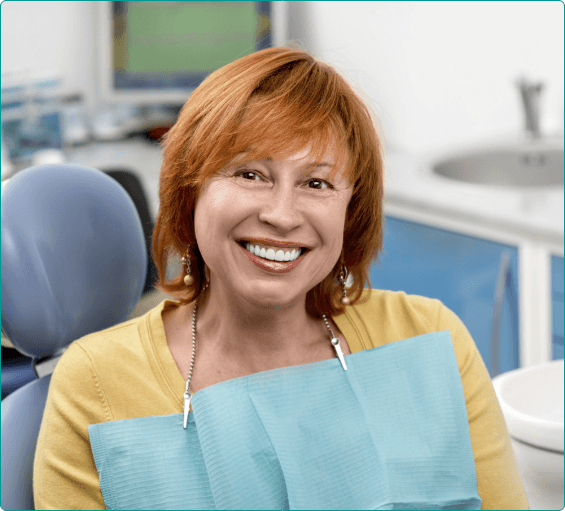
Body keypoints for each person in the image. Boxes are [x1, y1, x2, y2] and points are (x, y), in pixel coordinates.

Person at [34, 46, 529, 510]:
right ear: (190, 191)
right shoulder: (94, 385)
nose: (283, 215)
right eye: (250, 174)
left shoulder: (430, 339)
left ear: (349, 211)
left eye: (317, 183)